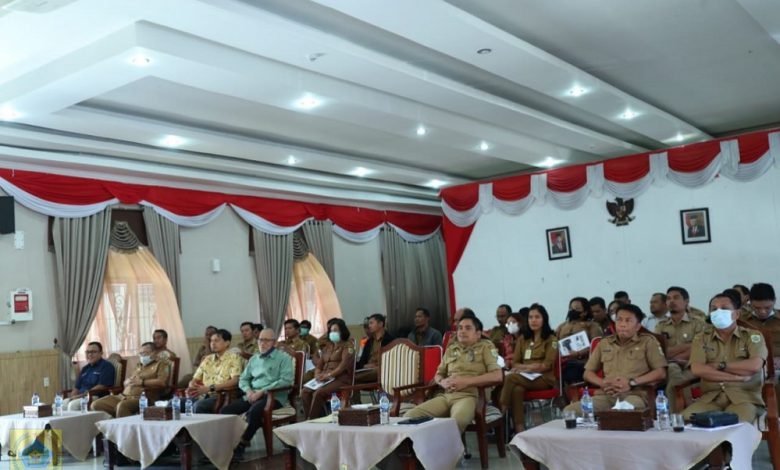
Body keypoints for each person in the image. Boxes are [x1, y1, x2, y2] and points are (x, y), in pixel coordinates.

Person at [404, 315, 502, 433]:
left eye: (468, 328)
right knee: (409, 417)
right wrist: (442, 382)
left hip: (470, 396)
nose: (462, 331)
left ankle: (448, 445)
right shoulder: (452, 349)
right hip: (447, 396)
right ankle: (427, 445)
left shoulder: (485, 347)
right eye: (460, 328)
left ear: (478, 334)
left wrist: (466, 382)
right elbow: (438, 374)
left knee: (455, 422)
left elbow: (497, 376)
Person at [564, 304, 666, 414]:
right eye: (619, 320)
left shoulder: (648, 342)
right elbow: (587, 373)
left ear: (637, 326)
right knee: (570, 411)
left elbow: (661, 373)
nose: (622, 324)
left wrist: (631, 383)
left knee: (620, 412)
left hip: (635, 395)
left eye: (628, 321)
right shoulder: (604, 343)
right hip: (607, 395)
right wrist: (602, 383)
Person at [683, 294, 767, 422]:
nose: (718, 312)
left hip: (743, 398)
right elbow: (698, 369)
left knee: (736, 424)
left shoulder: (752, 336)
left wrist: (719, 366)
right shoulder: (701, 338)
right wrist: (736, 377)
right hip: (711, 398)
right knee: (687, 419)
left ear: (737, 314)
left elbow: (754, 366)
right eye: (714, 309)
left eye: (724, 308)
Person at [220, 328, 294, 459]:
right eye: (260, 340)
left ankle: (242, 445)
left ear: (274, 343)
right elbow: (243, 379)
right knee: (225, 411)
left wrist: (262, 391)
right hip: (252, 395)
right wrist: (248, 391)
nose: (262, 343)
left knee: (254, 412)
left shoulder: (284, 358)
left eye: (267, 340)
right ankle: (228, 444)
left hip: (273, 397)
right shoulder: (254, 359)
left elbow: (286, 380)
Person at [499, 304, 557, 433]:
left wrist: (526, 369)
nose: (533, 320)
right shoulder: (523, 339)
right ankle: (519, 429)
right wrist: (529, 368)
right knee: (517, 390)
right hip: (524, 377)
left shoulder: (551, 339)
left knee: (511, 378)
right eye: (530, 317)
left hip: (544, 378)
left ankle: (501, 413)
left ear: (544, 319)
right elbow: (515, 363)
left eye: (537, 317)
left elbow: (546, 365)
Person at [91, 342, 171, 417]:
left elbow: (162, 382)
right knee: (96, 404)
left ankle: (124, 424)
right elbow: (131, 379)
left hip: (143, 398)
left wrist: (142, 382)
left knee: (122, 406)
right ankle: (116, 422)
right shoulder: (139, 365)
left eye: (144, 353)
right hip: (123, 396)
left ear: (153, 353)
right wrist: (126, 382)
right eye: (140, 353)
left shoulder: (161, 364)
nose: (142, 356)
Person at [655, 298, 706, 412]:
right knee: (674, 372)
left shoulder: (698, 323)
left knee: (676, 379)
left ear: (686, 301)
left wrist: (674, 356)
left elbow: (699, 348)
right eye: (668, 298)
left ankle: (676, 413)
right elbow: (659, 351)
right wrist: (689, 345)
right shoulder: (661, 325)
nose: (671, 301)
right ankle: (682, 412)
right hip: (670, 365)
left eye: (676, 297)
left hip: (692, 364)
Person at [301, 319, 356, 419]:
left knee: (318, 393)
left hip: (340, 379)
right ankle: (313, 418)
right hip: (324, 378)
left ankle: (311, 419)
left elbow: (342, 367)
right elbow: (319, 365)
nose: (332, 333)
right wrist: (317, 375)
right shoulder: (328, 347)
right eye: (331, 331)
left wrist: (329, 375)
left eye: (335, 330)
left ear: (342, 331)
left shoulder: (348, 346)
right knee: (305, 391)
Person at [185, 329, 243, 413]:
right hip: (202, 395)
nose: (213, 343)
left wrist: (210, 388)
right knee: (173, 403)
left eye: (216, 340)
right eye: (211, 341)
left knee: (198, 406)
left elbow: (235, 380)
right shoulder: (208, 359)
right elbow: (194, 379)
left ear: (227, 343)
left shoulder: (234, 358)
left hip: (220, 396)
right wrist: (191, 386)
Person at [556, 297, 602, 384]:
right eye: (571, 308)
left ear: (585, 312)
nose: (572, 311)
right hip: (562, 361)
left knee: (571, 371)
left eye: (577, 308)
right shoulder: (562, 326)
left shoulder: (592, 326)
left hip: (583, 363)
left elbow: (596, 346)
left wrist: (579, 353)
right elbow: (553, 343)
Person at [62, 342, 115, 411]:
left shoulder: (106, 366)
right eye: (87, 352)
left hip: (95, 396)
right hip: (81, 396)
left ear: (101, 353)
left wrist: (80, 396)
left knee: (73, 405)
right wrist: (73, 397)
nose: (90, 354)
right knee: (62, 404)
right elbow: (77, 387)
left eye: (93, 352)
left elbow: (101, 386)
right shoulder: (85, 368)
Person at [740, 283, 780, 369]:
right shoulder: (741, 321)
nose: (762, 312)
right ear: (750, 302)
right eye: (757, 308)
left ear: (774, 301)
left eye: (767, 307)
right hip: (749, 368)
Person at [355, 313, 395, 385]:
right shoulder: (369, 342)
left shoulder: (390, 340)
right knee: (350, 373)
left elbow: (392, 360)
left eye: (371, 323)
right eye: (369, 324)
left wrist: (376, 365)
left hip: (382, 369)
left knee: (352, 378)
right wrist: (364, 366)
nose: (369, 326)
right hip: (367, 368)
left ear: (380, 324)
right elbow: (362, 360)